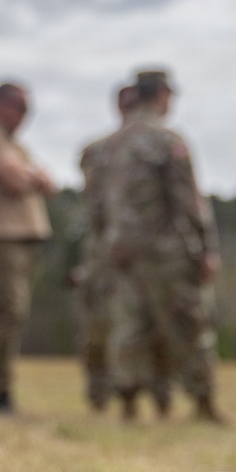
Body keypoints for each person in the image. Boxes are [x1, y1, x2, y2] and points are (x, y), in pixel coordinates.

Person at [104, 68, 223, 422]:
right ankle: (203, 402)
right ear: (160, 95)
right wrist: (206, 248)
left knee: (130, 324)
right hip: (164, 250)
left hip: (121, 249)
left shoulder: (111, 144)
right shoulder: (166, 140)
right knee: (188, 323)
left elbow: (98, 204)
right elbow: (189, 200)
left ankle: (127, 401)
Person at [0, 82, 54, 413]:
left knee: (10, 316)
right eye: (21, 108)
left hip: (22, 241)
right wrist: (31, 176)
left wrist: (29, 174)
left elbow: (49, 184)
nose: (25, 117)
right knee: (9, 312)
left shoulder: (17, 148)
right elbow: (15, 181)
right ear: (1, 105)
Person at [75, 84, 136, 412]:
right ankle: (98, 394)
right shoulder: (97, 151)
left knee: (141, 324)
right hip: (103, 250)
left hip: (141, 253)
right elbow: (95, 206)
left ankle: (143, 394)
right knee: (98, 324)